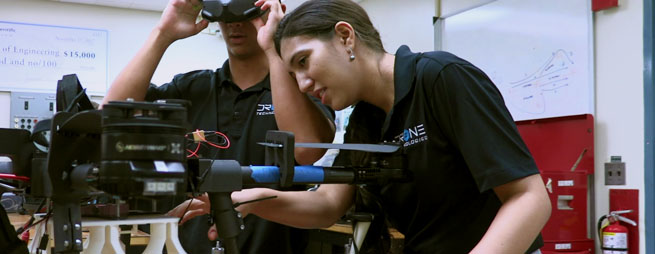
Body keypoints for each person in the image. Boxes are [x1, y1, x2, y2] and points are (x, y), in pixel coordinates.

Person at [172, 0, 552, 253]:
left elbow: (529, 199)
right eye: (292, 73)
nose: (303, 84)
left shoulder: (441, 78)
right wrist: (245, 201)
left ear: (344, 36)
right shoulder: (365, 121)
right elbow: (327, 205)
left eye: (304, 62)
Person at [102, 0, 336, 253]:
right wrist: (163, 34)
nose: (235, 24)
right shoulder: (192, 89)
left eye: (245, 13)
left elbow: (308, 151)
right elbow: (110, 117)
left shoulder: (301, 88)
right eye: (226, 16)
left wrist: (274, 45)